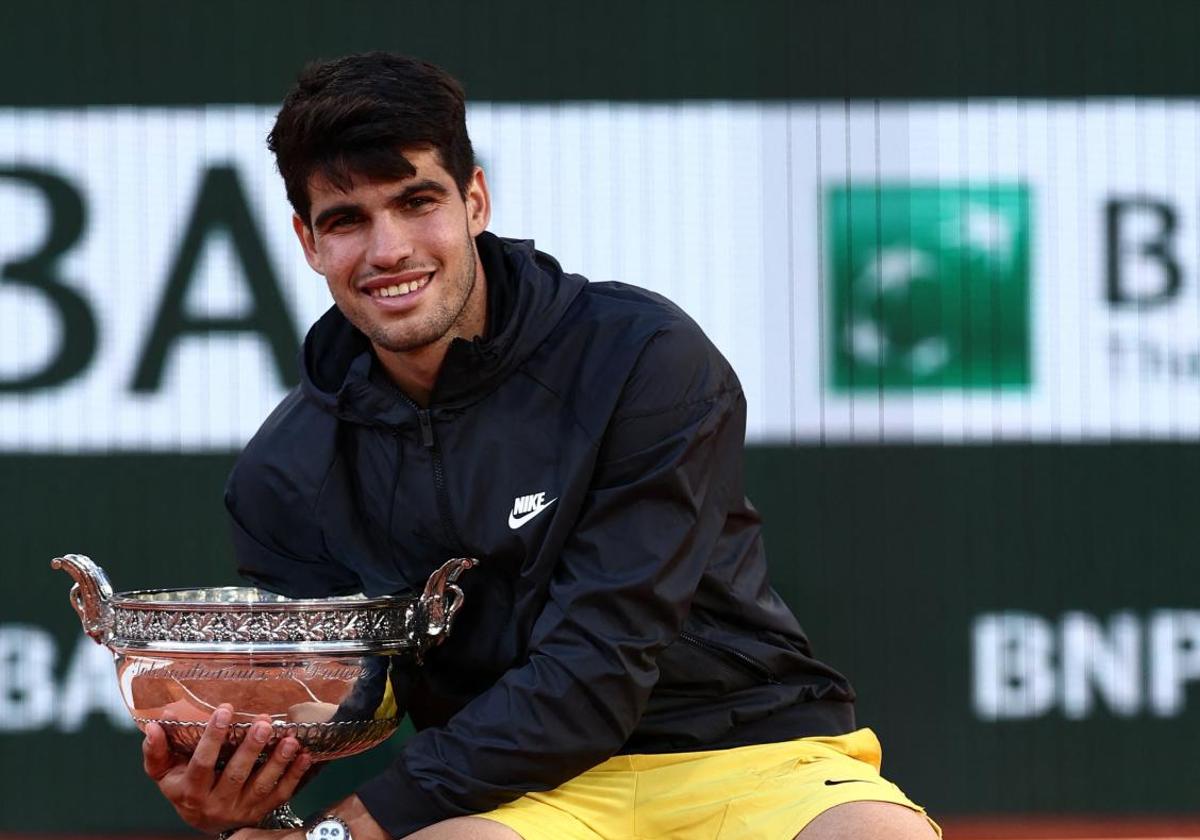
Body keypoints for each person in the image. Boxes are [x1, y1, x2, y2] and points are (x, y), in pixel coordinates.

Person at [140, 52, 940, 840]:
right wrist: (246, 790)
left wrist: (346, 832)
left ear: (475, 199)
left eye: (417, 202)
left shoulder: (640, 359)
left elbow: (598, 669)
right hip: (522, 797)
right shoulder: (283, 475)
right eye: (347, 220)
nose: (388, 251)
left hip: (750, 753)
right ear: (309, 243)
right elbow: (351, 702)